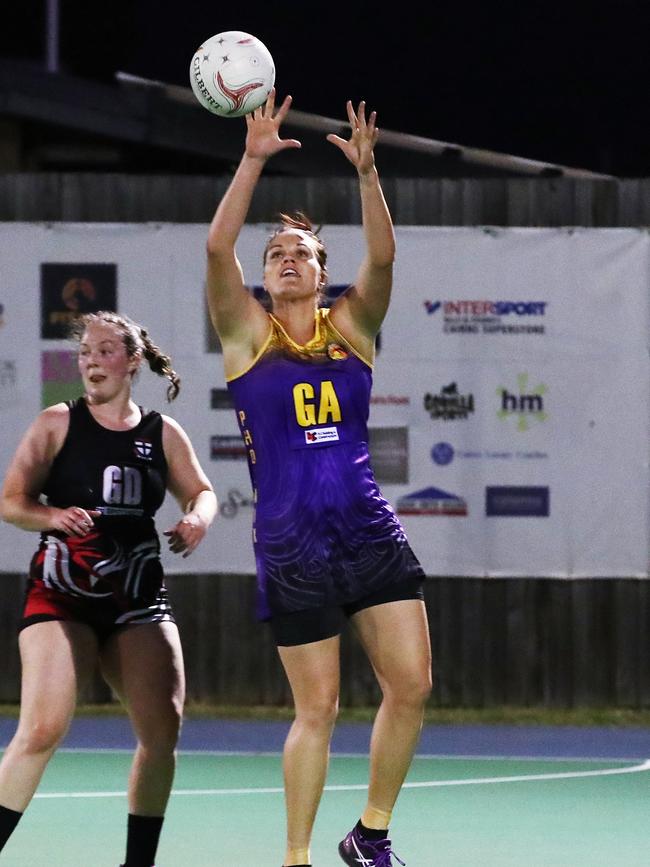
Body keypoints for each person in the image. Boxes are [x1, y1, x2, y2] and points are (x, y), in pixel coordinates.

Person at [205, 91, 432, 867]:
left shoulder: (354, 327)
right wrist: (252, 159)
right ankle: (295, 856)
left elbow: (386, 258)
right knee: (320, 707)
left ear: (321, 271)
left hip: (367, 526)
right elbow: (214, 251)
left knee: (412, 684)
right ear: (265, 279)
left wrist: (368, 174)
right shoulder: (245, 336)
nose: (287, 257)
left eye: (301, 250)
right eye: (276, 254)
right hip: (293, 540)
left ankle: (369, 833)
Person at [0, 311, 217, 867]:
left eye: (103, 351)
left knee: (162, 732)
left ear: (132, 360)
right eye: (84, 353)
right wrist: (50, 517)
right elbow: (11, 502)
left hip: (138, 597)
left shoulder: (162, 433)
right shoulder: (57, 422)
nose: (91, 361)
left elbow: (203, 492)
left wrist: (197, 518)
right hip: (62, 593)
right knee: (43, 728)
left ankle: (137, 863)